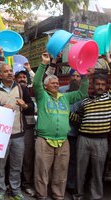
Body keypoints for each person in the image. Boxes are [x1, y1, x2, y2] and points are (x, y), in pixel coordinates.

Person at [33, 52, 89, 200]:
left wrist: (84, 75)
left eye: (58, 83)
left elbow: (83, 92)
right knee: (42, 170)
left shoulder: (66, 97)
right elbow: (36, 82)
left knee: (61, 170)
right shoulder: (42, 95)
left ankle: (58, 195)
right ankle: (41, 194)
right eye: (53, 83)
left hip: (63, 140)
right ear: (46, 86)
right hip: (44, 140)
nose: (57, 85)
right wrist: (43, 64)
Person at [0, 63, 34, 200]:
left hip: (19, 135)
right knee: (0, 166)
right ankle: (0, 191)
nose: (9, 73)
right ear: (0, 75)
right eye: (6, 71)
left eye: (11, 71)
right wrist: (1, 108)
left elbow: (31, 107)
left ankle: (16, 190)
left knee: (16, 165)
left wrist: (25, 105)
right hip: (1, 136)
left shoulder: (21, 89)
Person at [71, 72, 111, 200]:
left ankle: (96, 196)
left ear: (106, 87)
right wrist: (66, 113)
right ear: (93, 85)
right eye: (98, 84)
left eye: (103, 85)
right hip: (83, 139)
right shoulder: (85, 101)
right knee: (80, 170)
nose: (100, 86)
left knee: (97, 172)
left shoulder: (109, 98)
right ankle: (78, 195)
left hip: (101, 141)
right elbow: (79, 119)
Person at [58, 69, 82, 195]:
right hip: (61, 132)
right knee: (59, 160)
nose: (75, 78)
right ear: (69, 77)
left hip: (75, 133)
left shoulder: (83, 93)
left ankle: (70, 184)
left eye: (78, 76)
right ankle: (58, 184)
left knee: (73, 160)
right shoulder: (61, 90)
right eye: (73, 75)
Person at [14, 69, 36, 197]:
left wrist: (26, 106)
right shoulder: (13, 90)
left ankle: (27, 184)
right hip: (13, 129)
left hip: (27, 128)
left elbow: (32, 108)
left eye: (24, 77)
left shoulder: (31, 90)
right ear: (15, 80)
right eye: (19, 77)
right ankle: (11, 184)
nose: (22, 79)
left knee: (27, 158)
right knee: (13, 158)